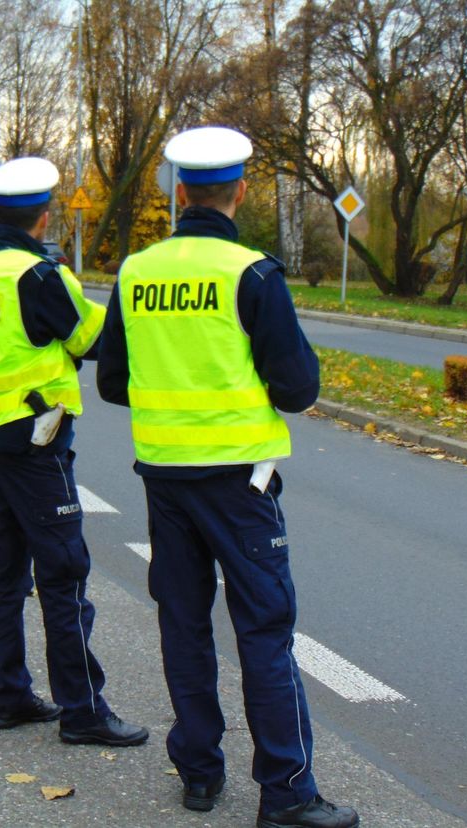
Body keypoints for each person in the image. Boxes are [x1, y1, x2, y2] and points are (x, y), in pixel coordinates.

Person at [96, 127, 359, 827]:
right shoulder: (254, 274)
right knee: (264, 633)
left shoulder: (135, 272)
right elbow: (298, 388)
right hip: (239, 485)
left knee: (183, 625)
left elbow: (115, 384)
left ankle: (199, 774)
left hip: (163, 478)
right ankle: (288, 794)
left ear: (179, 192)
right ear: (241, 190)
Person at [0, 156, 148, 748]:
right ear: (45, 214)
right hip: (37, 438)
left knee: (4, 569)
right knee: (64, 570)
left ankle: (6, 697)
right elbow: (87, 338)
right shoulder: (38, 275)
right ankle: (83, 710)